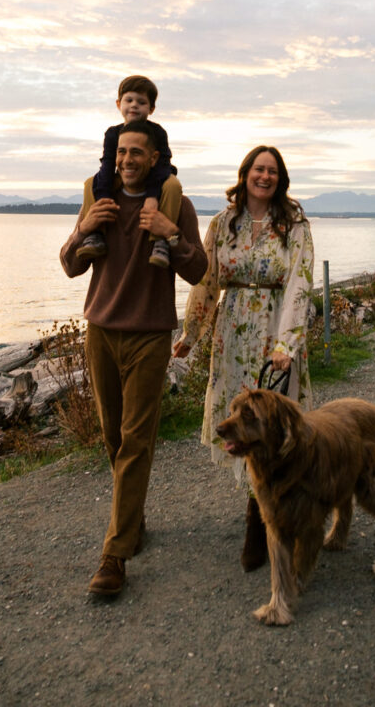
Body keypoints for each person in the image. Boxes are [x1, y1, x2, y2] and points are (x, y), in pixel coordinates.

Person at [60, 120, 207, 596]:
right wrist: (84, 227)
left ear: (155, 156)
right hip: (100, 332)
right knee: (112, 438)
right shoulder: (98, 198)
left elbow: (199, 269)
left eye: (136, 153)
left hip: (149, 336)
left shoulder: (175, 204)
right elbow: (69, 265)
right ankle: (133, 522)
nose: (126, 160)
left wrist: (172, 234)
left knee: (136, 441)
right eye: (121, 152)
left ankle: (114, 556)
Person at [173, 145, 314, 572]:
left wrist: (285, 345)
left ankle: (262, 522)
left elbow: (301, 283)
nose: (265, 176)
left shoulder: (294, 224)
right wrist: (191, 333)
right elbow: (206, 280)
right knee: (241, 427)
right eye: (259, 169)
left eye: (272, 171)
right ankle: (260, 513)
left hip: (274, 334)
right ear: (245, 173)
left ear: (280, 177)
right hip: (231, 335)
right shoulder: (223, 222)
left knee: (273, 430)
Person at [76, 74, 182, 268]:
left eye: (141, 102)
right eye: (129, 100)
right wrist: (103, 199)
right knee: (91, 182)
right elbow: (108, 166)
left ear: (151, 108)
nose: (134, 105)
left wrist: (152, 196)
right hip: (121, 179)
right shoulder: (112, 133)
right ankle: (95, 234)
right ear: (119, 104)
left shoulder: (157, 133)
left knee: (173, 184)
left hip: (157, 178)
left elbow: (163, 165)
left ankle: (160, 241)